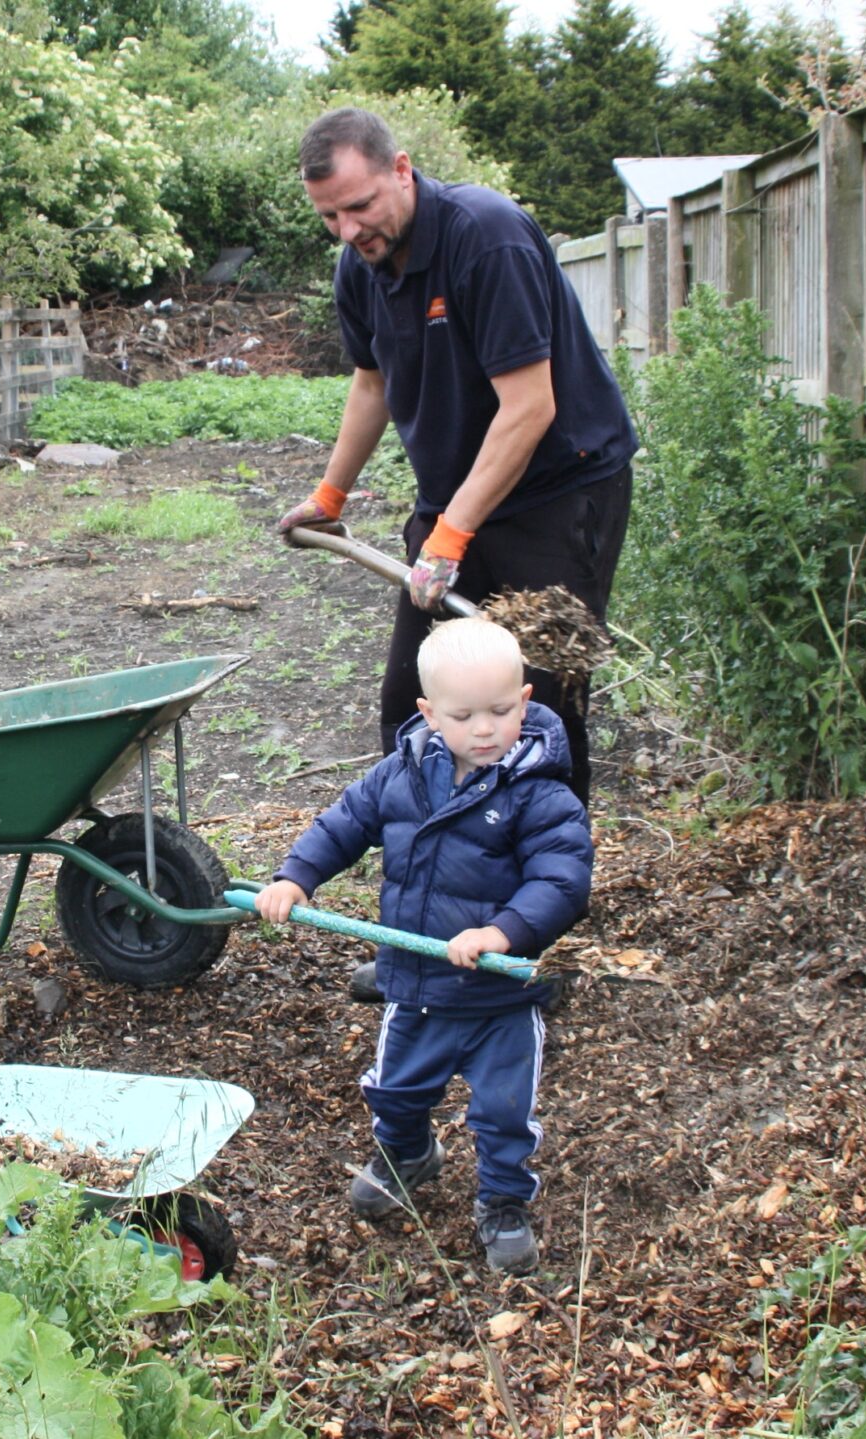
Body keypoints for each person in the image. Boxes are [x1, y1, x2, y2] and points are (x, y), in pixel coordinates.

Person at [276, 106, 637, 810]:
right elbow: (372, 381)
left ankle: (544, 880)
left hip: (557, 494)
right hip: (456, 497)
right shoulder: (362, 266)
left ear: (402, 171)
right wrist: (331, 497)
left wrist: (450, 535)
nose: (349, 231)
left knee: (538, 699)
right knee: (417, 694)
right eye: (330, 218)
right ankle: (434, 853)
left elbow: (530, 407)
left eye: (359, 206)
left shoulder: (485, 238)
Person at [253, 618, 593, 1276]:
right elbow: (344, 823)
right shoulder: (400, 774)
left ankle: (502, 1201)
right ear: (429, 713)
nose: (486, 729)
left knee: (502, 1113)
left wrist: (503, 931)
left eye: (501, 710)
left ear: (525, 701)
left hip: (501, 994)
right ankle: (408, 1153)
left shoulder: (542, 793)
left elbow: (562, 880)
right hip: (416, 985)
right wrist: (296, 877)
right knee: (397, 1092)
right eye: (465, 715)